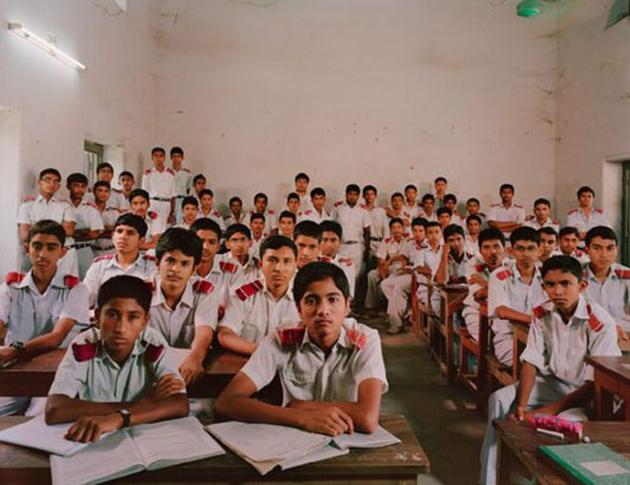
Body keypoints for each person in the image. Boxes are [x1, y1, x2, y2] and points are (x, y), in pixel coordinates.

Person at [480, 255, 621, 485]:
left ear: (581, 285)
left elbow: (594, 384)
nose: (558, 291)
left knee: (561, 424)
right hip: (554, 383)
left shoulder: (599, 322)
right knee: (499, 399)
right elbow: (531, 361)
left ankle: (544, 480)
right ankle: (489, 479)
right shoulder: (542, 314)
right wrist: (524, 406)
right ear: (543, 286)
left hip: (589, 395)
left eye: (566, 284)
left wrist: (545, 411)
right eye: (550, 285)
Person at [215, 262, 387, 435]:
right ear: (298, 309)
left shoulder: (365, 339)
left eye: (333, 300)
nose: (323, 310)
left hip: (348, 439)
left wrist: (302, 406)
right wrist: (301, 418)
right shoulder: (282, 339)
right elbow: (227, 402)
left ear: (347, 305)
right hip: (295, 440)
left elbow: (367, 418)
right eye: (311, 301)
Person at [44, 275, 189, 441]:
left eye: (133, 317)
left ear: (145, 321)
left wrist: (120, 418)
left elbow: (180, 404)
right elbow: (54, 409)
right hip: (94, 437)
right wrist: (141, 405)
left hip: (141, 436)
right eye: (113, 315)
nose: (121, 328)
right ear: (98, 317)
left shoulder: (153, 344)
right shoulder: (84, 344)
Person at [0, 220, 90, 415]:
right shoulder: (10, 287)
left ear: (62, 252)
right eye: (37, 246)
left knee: (38, 418)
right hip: (15, 369)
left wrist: (13, 352)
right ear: (27, 248)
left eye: (51, 248)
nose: (43, 254)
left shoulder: (76, 289)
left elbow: (57, 337)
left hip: (55, 374)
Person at [150, 228, 218, 385]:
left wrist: (195, 359)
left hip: (187, 371)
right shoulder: (142, 291)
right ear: (157, 263)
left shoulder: (204, 292)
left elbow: (204, 333)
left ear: (194, 269)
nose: (176, 269)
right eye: (170, 261)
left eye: (185, 263)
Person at [217, 236, 299, 356]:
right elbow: (225, 334)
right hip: (248, 363)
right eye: (272, 260)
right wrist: (263, 353)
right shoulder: (244, 295)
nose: (279, 268)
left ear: (295, 265)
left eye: (287, 261)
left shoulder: (303, 298)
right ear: (260, 264)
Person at [488, 227, 546, 366]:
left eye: (531, 248)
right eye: (520, 248)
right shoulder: (499, 275)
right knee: (533, 365)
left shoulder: (547, 276)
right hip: (509, 338)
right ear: (511, 251)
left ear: (539, 251)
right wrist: (534, 321)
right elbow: (501, 311)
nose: (525, 254)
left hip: (542, 337)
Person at [83, 214, 156, 307]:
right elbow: (85, 300)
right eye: (119, 231)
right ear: (113, 236)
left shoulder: (151, 266)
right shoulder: (99, 265)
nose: (123, 236)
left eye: (130, 233)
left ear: (141, 241)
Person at [17, 167, 78, 276]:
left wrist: (36, 227)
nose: (51, 184)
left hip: (64, 255)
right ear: (39, 182)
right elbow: (25, 234)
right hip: (38, 253)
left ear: (59, 186)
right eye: (47, 180)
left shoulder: (65, 206)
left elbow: (69, 230)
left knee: (67, 286)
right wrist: (59, 226)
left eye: (56, 181)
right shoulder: (27, 206)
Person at [381, 217, 428, 334]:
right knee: (385, 284)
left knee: (397, 288)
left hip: (422, 277)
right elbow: (404, 257)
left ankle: (396, 323)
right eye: (415, 230)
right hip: (410, 273)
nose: (417, 233)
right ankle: (407, 312)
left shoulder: (428, 244)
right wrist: (393, 260)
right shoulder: (410, 242)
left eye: (421, 231)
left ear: (425, 231)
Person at [583, 226, 630, 340]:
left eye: (610, 248)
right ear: (587, 249)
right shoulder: (576, 277)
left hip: (625, 337)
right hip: (589, 337)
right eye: (597, 248)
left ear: (616, 249)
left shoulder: (626, 276)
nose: (604, 254)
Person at [461, 228, 506, 343]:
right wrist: (498, 289)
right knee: (487, 342)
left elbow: (513, 294)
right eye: (486, 247)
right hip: (476, 310)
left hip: (503, 312)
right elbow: (479, 294)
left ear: (504, 248)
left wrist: (486, 284)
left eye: (496, 246)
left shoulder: (511, 266)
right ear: (480, 251)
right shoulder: (474, 264)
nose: (492, 252)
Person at [190, 218, 237, 315]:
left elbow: (236, 308)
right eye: (200, 241)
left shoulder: (233, 268)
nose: (205, 247)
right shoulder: (178, 269)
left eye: (211, 242)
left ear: (219, 246)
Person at [66, 173, 104, 279]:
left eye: (83, 186)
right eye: (76, 186)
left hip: (85, 251)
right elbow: (59, 232)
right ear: (68, 186)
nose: (80, 189)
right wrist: (84, 231)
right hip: (66, 251)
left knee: (87, 282)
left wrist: (72, 233)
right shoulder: (61, 205)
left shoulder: (91, 208)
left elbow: (94, 234)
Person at [365, 218, 407, 311]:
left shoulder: (408, 241)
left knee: (393, 276)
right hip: (388, 267)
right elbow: (381, 260)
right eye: (394, 228)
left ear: (403, 229)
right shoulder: (386, 241)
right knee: (372, 275)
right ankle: (371, 305)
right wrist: (384, 276)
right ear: (390, 229)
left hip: (401, 268)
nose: (396, 230)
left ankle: (391, 306)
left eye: (399, 227)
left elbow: (404, 258)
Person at [331, 184, 371, 275]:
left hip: (357, 247)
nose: (352, 197)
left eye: (355, 194)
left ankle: (354, 290)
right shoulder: (338, 208)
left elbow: (367, 231)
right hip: (341, 246)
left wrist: (367, 250)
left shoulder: (363, 210)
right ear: (346, 194)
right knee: (340, 272)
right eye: (350, 194)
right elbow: (332, 227)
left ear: (358, 196)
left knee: (356, 275)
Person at [319, 220, 356, 298]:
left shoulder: (346, 263)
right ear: (318, 241)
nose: (329, 244)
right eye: (325, 240)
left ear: (339, 242)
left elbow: (349, 293)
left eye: (333, 240)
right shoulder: (312, 260)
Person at [141, 147, 176, 228]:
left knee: (166, 228)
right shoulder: (147, 174)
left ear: (164, 158)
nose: (158, 158)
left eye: (161, 156)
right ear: (152, 158)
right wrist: (146, 210)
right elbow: (143, 195)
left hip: (166, 204)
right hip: (153, 204)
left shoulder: (170, 174)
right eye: (156, 156)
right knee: (151, 228)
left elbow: (173, 195)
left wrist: (172, 212)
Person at [92, 181, 122, 257]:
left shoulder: (115, 212)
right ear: (94, 192)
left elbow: (119, 232)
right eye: (100, 190)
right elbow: (87, 233)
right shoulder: (88, 210)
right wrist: (107, 229)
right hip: (92, 252)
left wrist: (97, 231)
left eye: (106, 191)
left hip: (112, 251)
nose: (103, 194)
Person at [361, 185, 388, 270]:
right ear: (363, 196)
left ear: (375, 196)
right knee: (364, 270)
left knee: (379, 270)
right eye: (367, 194)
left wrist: (385, 245)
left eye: (372, 194)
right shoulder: (360, 210)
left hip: (379, 243)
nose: (369, 197)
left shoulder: (381, 211)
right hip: (364, 243)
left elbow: (386, 230)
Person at [170, 146, 192, 224]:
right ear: (171, 158)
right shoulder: (167, 173)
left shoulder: (187, 174)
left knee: (182, 223)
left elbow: (188, 189)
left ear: (182, 158)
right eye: (174, 156)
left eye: (178, 156)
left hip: (183, 200)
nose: (176, 159)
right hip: (171, 201)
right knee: (170, 223)